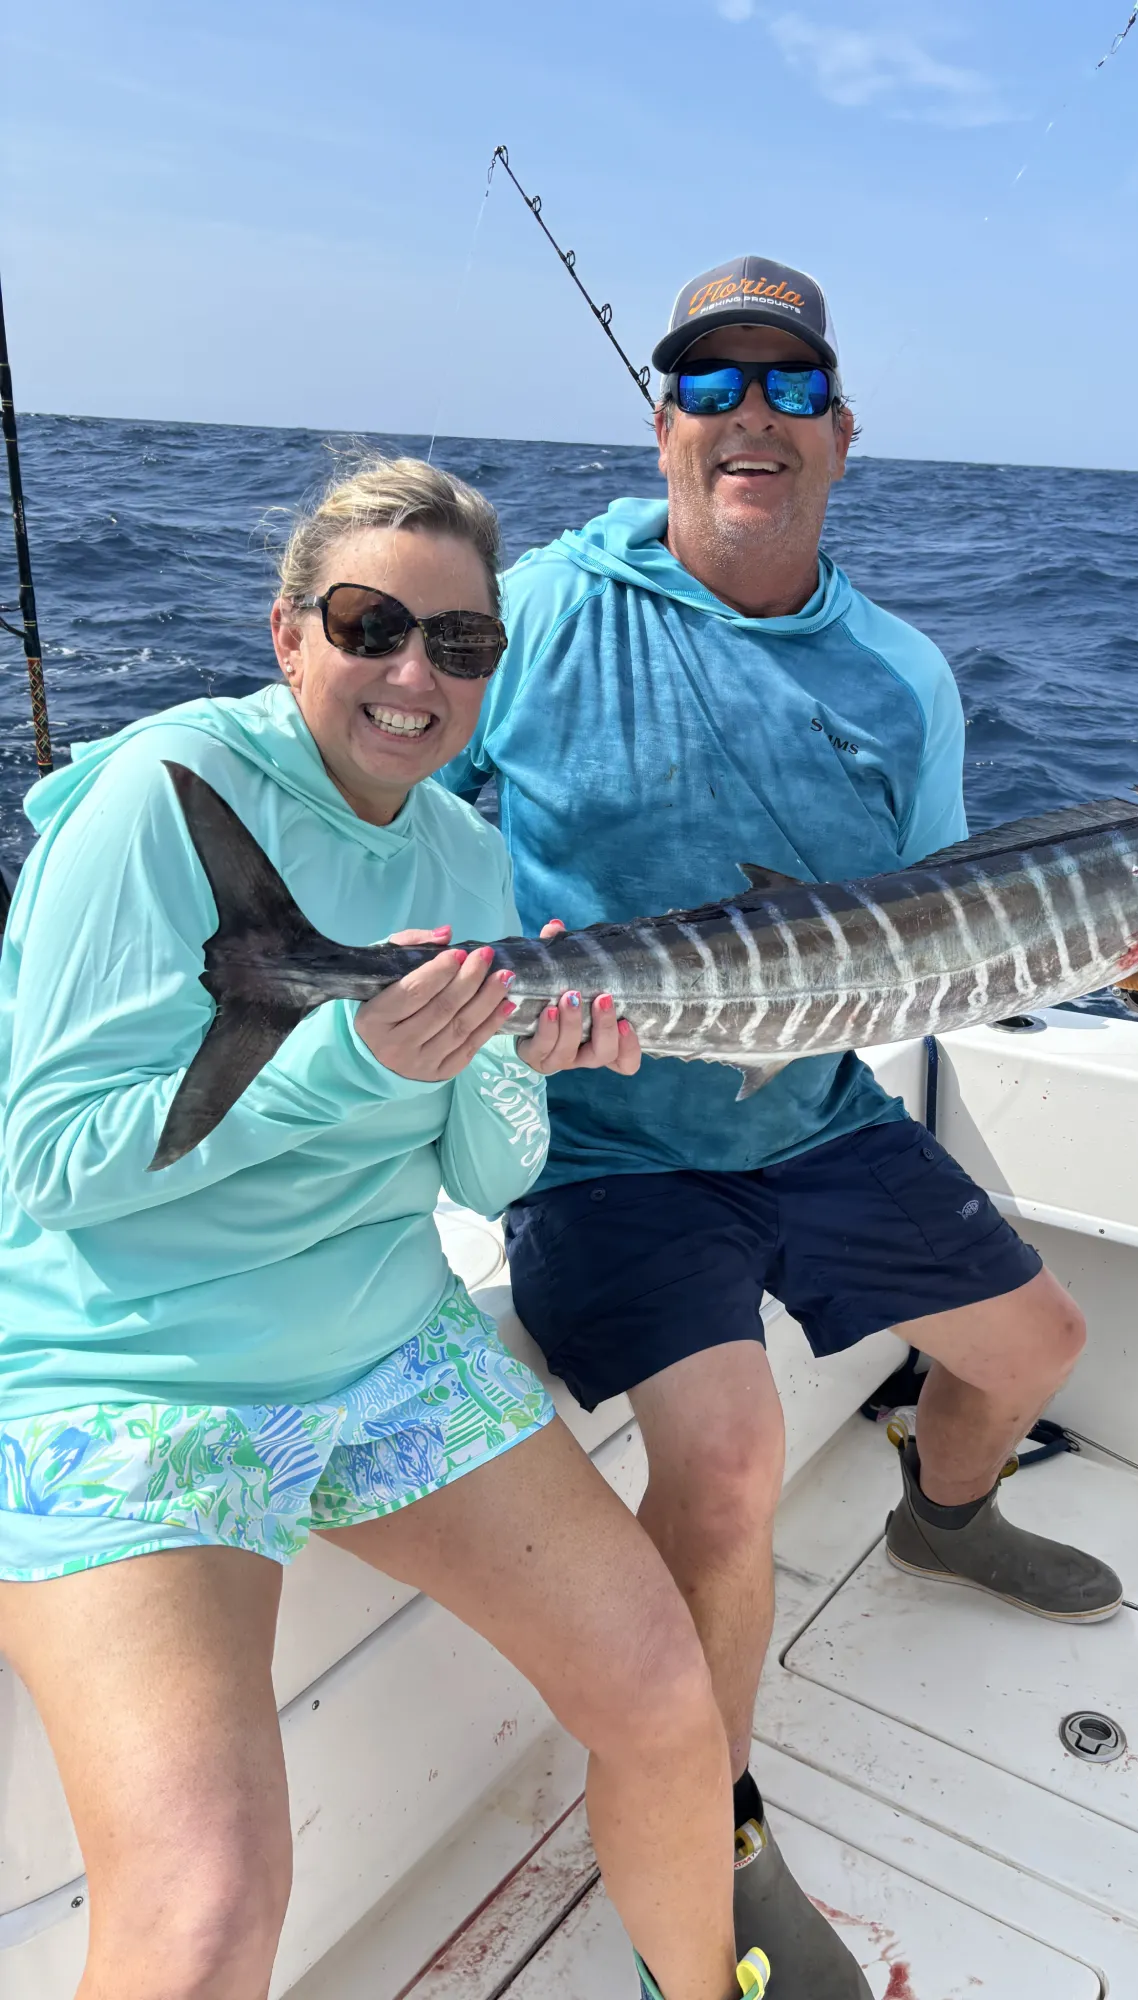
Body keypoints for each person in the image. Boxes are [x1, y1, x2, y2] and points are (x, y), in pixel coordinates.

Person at [441, 257, 1138, 1994]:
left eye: (792, 386)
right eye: (713, 385)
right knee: (727, 1463)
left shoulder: (901, 677)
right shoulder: (531, 614)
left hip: (809, 1100)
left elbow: (943, 935)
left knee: (1039, 1342)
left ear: (843, 430)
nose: (754, 416)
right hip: (602, 1137)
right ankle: (709, 1832)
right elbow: (391, 810)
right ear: (661, 425)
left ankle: (942, 1519)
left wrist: (1129, 964)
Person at [0, 458, 770, 2000]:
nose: (414, 674)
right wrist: (344, 1064)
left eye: (461, 644)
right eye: (371, 624)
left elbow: (483, 1182)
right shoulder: (160, 798)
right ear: (291, 635)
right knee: (209, 1906)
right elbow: (47, 1166)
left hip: (388, 1355)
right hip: (135, 1383)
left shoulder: (465, 855)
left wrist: (510, 1058)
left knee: (669, 1700)